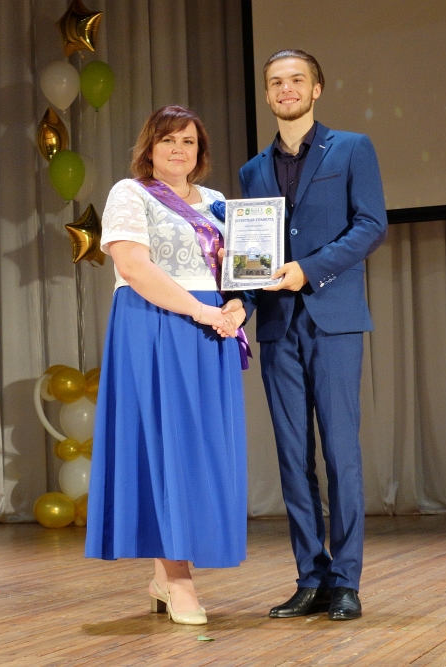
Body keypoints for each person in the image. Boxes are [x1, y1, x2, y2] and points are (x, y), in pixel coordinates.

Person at [228, 49, 388, 621]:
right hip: (278, 327)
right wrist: (241, 301)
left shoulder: (352, 148)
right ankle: (310, 577)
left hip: (334, 320)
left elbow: (371, 225)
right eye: (276, 82)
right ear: (268, 93)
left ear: (317, 88)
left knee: (341, 454)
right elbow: (252, 254)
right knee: (292, 459)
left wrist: (310, 269)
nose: (286, 89)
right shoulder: (251, 171)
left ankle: (346, 580)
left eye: (297, 79)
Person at [84, 105, 249, 625]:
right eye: (168, 140)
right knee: (165, 449)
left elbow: (242, 271)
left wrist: (237, 306)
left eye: (189, 141)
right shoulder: (130, 194)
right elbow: (134, 267)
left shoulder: (219, 203)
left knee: (202, 453)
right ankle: (178, 580)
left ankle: (164, 577)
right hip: (156, 325)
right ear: (149, 148)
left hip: (213, 332)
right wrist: (201, 310)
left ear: (201, 152)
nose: (179, 149)